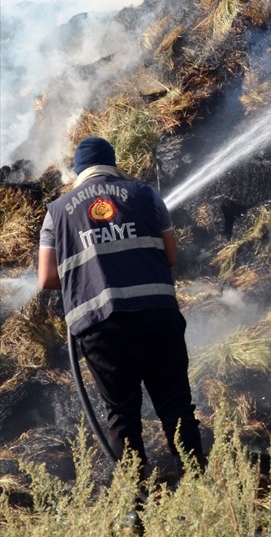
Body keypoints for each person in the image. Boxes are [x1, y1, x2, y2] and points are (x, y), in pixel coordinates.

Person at [38, 136, 205, 475]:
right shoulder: (145, 194)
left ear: (79, 171)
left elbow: (46, 279)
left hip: (100, 327)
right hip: (157, 316)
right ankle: (196, 479)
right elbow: (171, 256)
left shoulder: (56, 212)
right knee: (175, 404)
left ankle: (134, 503)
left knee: (121, 414)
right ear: (112, 163)